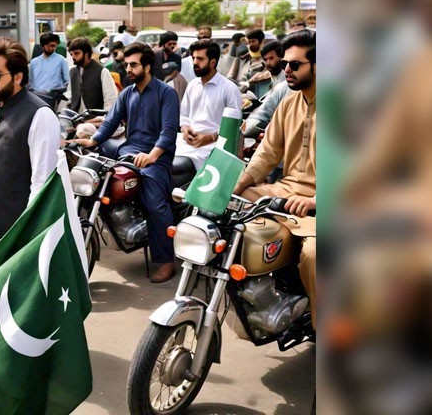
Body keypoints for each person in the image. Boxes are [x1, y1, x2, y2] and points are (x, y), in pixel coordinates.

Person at [70, 42, 180, 283]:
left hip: (155, 158)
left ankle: (166, 261)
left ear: (147, 67)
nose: (128, 69)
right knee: (93, 166)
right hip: (128, 152)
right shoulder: (127, 93)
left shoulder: (166, 93)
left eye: (133, 65)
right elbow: (111, 122)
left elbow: (169, 131)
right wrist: (93, 140)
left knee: (155, 205)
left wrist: (152, 155)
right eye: (127, 64)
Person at [233, 30, 316, 326]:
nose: (287, 70)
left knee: (315, 255)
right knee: (229, 210)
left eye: (295, 65)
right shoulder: (288, 104)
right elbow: (266, 153)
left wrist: (315, 200)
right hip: (287, 190)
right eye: (285, 64)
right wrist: (236, 185)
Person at [0, 37, 61, 259]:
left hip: (20, 228)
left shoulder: (40, 114)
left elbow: (42, 181)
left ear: (18, 76)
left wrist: (28, 229)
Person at [175, 40, 242, 172]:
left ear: (212, 62)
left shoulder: (229, 88)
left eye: (200, 59)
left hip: (215, 144)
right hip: (188, 142)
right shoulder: (192, 85)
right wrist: (185, 129)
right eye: (193, 58)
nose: (195, 62)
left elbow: (233, 126)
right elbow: (184, 115)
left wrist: (210, 137)